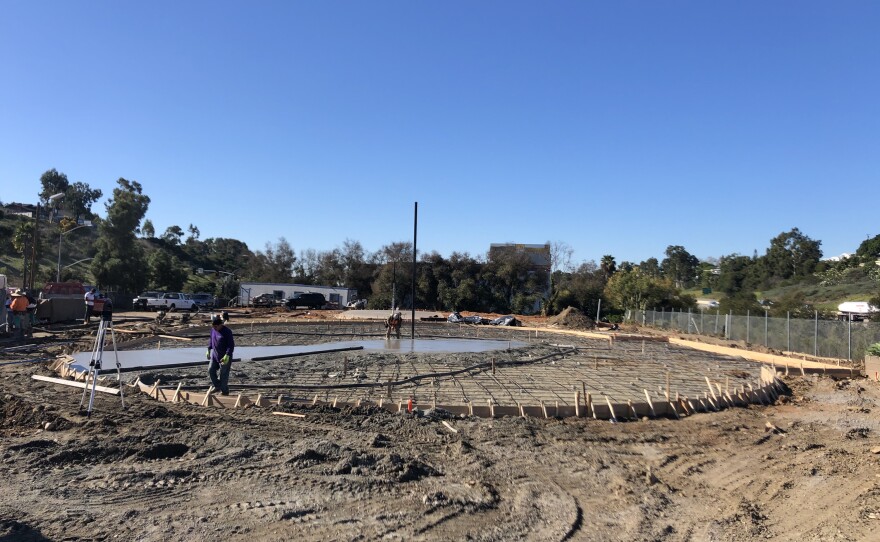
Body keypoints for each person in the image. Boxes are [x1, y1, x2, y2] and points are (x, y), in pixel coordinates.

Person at [206, 314, 235, 395]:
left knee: (223, 374)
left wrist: (227, 355)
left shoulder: (227, 331)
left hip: (224, 357)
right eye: (213, 327)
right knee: (211, 369)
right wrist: (209, 349)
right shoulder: (213, 330)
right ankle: (217, 386)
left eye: (216, 326)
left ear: (220, 325)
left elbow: (231, 345)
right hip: (215, 356)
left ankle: (224, 391)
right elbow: (211, 340)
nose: (214, 328)